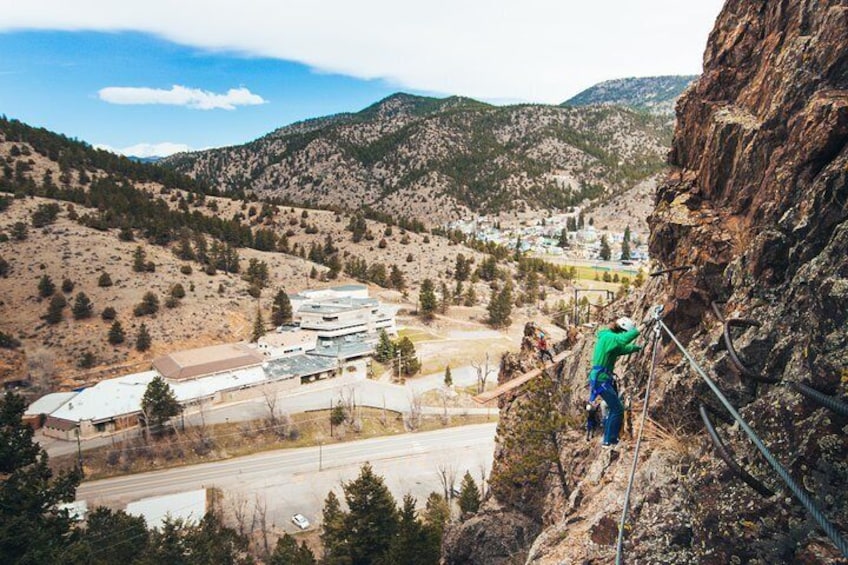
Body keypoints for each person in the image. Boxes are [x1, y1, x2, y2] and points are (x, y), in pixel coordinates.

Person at [586, 316, 641, 447]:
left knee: (614, 408)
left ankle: (610, 438)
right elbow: (623, 340)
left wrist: (638, 348)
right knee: (617, 409)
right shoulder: (609, 338)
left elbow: (622, 349)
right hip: (601, 379)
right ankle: (609, 440)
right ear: (622, 330)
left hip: (600, 379)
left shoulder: (608, 338)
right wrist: (640, 329)